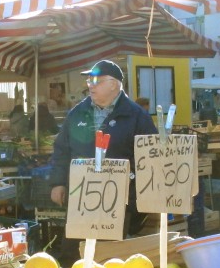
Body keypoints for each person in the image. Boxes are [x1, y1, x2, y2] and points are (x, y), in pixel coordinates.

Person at [49, 59, 157, 243]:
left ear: (114, 84)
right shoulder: (77, 113)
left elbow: (150, 157)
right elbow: (61, 150)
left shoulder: (137, 116)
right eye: (89, 81)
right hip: (80, 197)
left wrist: (136, 194)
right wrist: (58, 182)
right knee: (78, 254)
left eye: (97, 81)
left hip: (119, 201)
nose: (91, 85)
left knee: (112, 257)